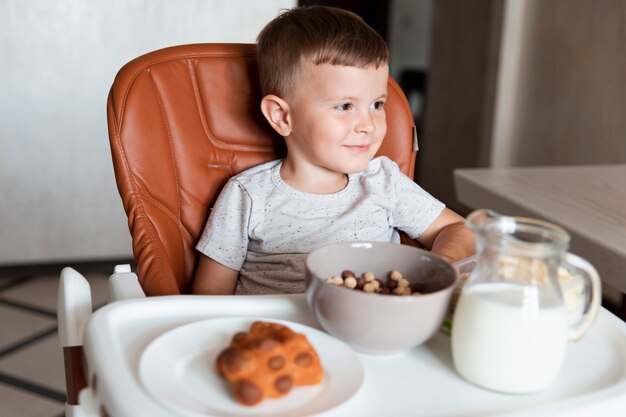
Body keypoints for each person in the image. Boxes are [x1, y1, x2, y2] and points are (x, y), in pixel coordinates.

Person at [192, 5, 475, 295]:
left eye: (377, 104)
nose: (368, 124)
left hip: (371, 327)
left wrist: (442, 264)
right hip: (279, 332)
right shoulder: (248, 195)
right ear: (282, 116)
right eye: (344, 106)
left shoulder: (383, 182)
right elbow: (208, 299)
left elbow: (457, 229)